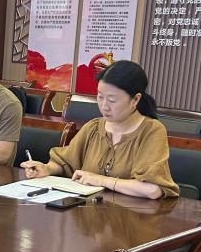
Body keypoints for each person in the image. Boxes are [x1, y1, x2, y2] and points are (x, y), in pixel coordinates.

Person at [21, 60, 179, 199]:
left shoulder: (151, 131)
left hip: (131, 217)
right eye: (100, 97)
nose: (104, 106)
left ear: (135, 99)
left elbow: (152, 190)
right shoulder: (93, 128)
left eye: (112, 100)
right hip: (89, 214)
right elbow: (65, 162)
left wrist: (100, 180)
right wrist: (46, 169)